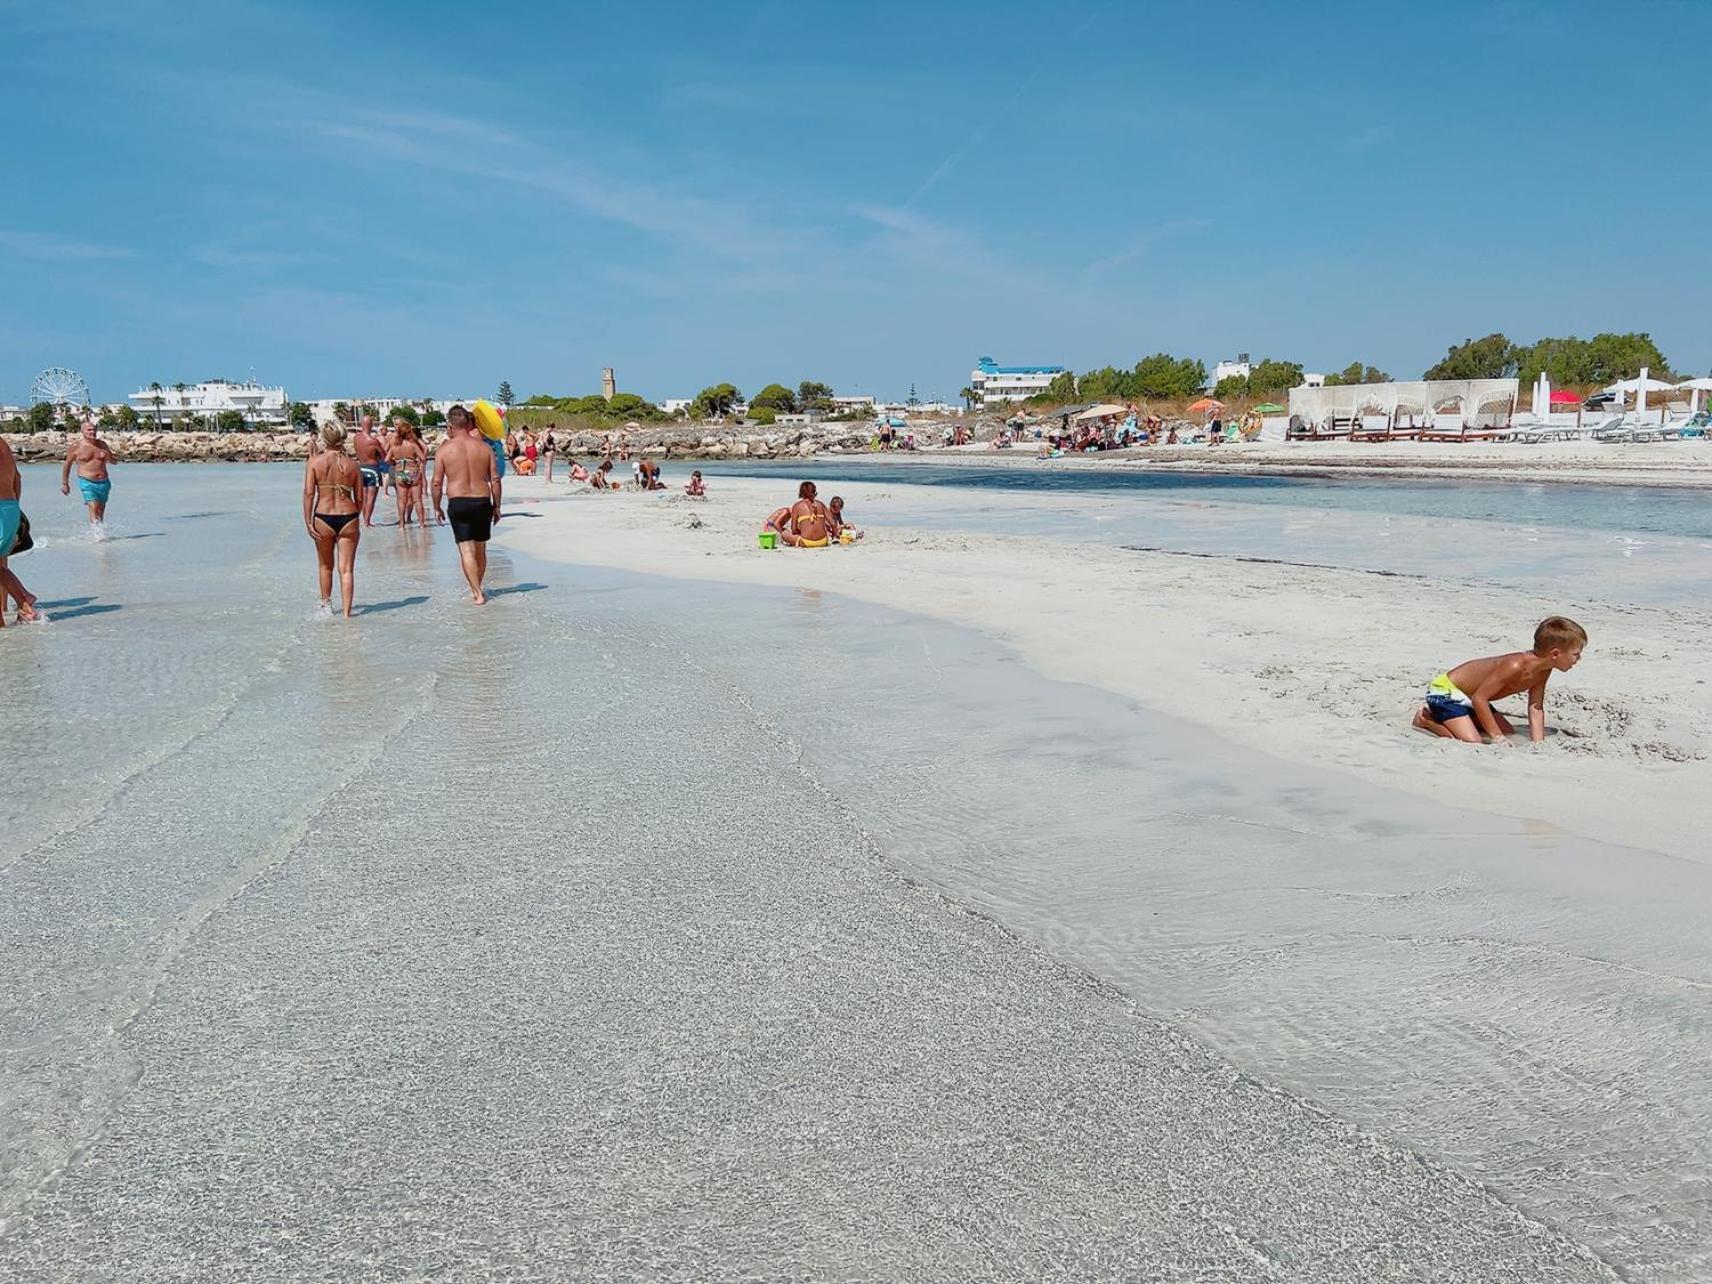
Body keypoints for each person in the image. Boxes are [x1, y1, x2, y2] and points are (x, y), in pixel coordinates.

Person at [1413, 616, 1587, 745]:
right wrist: (1497, 738)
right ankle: (1427, 721)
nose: (1578, 659)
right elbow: (1479, 699)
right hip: (1445, 691)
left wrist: (1538, 743)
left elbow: (1536, 707)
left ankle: (1460, 719)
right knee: (1472, 742)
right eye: (1576, 654)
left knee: (1508, 731)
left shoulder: (1544, 670)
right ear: (1555, 654)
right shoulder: (1514, 665)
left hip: (1471, 696)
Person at [433, 404, 501, 605]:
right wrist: (497, 506)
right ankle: (477, 586)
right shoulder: (484, 448)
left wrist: (436, 507)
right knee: (481, 549)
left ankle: (477, 591)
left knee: (466, 550)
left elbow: (437, 482)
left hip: (458, 501)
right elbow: (495, 479)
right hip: (481, 501)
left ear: (450, 426)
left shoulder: (444, 450)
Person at [303, 421, 363, 618]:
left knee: (325, 565)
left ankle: (326, 607)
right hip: (348, 516)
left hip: (323, 516)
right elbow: (360, 497)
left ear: (324, 438)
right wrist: (356, 515)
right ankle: (347, 614)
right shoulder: (353, 464)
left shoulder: (314, 462)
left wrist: (308, 521)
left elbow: (309, 494)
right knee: (346, 570)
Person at [1, 434, 40, 626]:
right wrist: (15, 509)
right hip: (9, 507)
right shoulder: (3, 444)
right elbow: (17, 477)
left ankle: (23, 599)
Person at [61, 419, 116, 538]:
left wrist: (107, 457)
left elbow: (114, 462)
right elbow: (67, 465)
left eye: (94, 429)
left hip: (104, 482)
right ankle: (97, 536)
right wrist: (65, 483)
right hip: (86, 482)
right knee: (93, 507)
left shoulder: (102, 444)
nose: (93, 432)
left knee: (100, 511)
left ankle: (100, 533)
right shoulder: (76, 446)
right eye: (89, 429)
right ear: (82, 431)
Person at [390, 420, 430, 528]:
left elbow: (386, 459)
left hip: (400, 473)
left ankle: (402, 524)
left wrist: (396, 462)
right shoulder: (413, 445)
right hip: (413, 472)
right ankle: (422, 524)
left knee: (401, 500)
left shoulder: (395, 446)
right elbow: (423, 458)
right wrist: (415, 461)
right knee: (417, 500)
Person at [772, 481, 832, 548]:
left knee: (784, 534)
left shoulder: (797, 506)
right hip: (823, 541)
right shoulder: (821, 504)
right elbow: (833, 523)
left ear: (801, 493)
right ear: (814, 492)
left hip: (806, 542)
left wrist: (800, 532)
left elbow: (793, 529)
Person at [352, 415, 385, 527]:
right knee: (371, 497)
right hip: (372, 469)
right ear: (371, 425)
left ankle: (362, 520)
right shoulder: (373, 441)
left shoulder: (356, 438)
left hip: (360, 468)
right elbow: (383, 455)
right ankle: (367, 522)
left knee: (364, 497)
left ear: (362, 424)